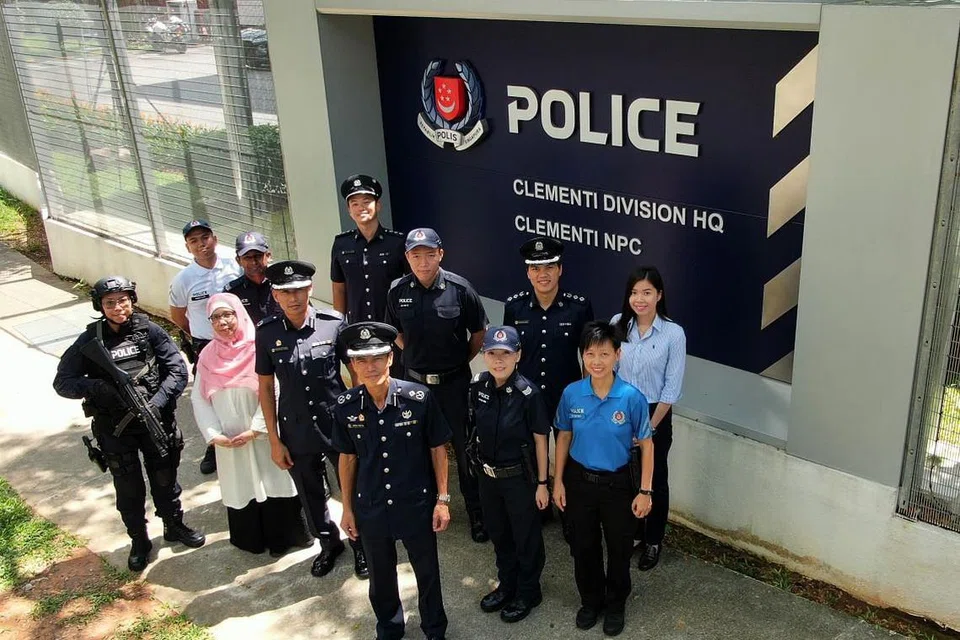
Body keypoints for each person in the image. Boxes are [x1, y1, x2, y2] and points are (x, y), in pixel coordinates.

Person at [53, 276, 204, 572]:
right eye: (110, 303)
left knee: (165, 479)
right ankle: (139, 540)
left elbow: (176, 370)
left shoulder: (149, 330)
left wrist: (157, 402)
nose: (118, 307)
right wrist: (96, 387)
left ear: (132, 300)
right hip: (115, 429)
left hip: (155, 422)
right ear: (100, 306)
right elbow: (63, 382)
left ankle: (174, 525)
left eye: (123, 300)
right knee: (128, 488)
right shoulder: (90, 340)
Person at [333, 322, 452, 640]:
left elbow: (438, 448)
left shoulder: (418, 397)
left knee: (427, 572)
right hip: (371, 506)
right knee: (380, 576)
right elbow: (347, 458)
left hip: (416, 503)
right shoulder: (345, 408)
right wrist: (347, 508)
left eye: (377, 358)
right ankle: (389, 627)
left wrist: (442, 499)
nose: (370, 367)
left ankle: (434, 628)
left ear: (390, 359)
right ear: (353, 365)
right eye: (362, 360)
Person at [255, 260, 368, 579]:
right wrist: (274, 439)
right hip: (296, 427)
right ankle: (329, 544)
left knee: (352, 487)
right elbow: (265, 385)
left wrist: (360, 417)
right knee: (310, 492)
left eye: (300, 290)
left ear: (310, 290)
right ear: (275, 295)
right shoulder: (266, 333)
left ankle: (360, 544)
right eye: (286, 292)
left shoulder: (333, 323)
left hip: (337, 423)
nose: (294, 298)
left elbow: (355, 371)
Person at [385, 227, 489, 542]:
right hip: (413, 385)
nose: (423, 261)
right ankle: (427, 509)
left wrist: (458, 363)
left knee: (464, 448)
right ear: (407, 258)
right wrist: (414, 358)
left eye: (430, 254)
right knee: (417, 448)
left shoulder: (460, 289)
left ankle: (476, 514)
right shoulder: (397, 291)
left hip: (454, 383)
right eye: (416, 255)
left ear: (440, 254)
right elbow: (394, 334)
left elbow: (478, 333)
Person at [191, 292, 313, 555]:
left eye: (228, 315)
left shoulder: (258, 347)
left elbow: (274, 388)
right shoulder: (207, 356)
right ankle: (252, 540)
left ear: (239, 315)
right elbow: (199, 399)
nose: (223, 322)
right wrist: (215, 435)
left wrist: (257, 428)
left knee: (275, 480)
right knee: (241, 483)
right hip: (229, 438)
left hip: (262, 432)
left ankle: (287, 537)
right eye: (216, 317)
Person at [553, 321, 654, 637]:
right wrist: (557, 481)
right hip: (580, 481)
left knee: (620, 547)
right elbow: (564, 436)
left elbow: (647, 445)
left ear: (617, 355)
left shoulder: (631, 398)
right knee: (583, 546)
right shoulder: (572, 393)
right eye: (590, 354)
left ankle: (615, 604)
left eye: (604, 354)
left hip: (618, 486)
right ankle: (590, 601)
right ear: (583, 356)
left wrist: (645, 491)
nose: (597, 361)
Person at [503, 236, 594, 526]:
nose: (543, 274)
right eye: (536, 268)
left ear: (560, 270)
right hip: (528, 399)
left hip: (565, 397)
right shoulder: (515, 307)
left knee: (570, 459)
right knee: (528, 455)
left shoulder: (578, 307)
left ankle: (570, 515)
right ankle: (538, 510)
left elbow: (589, 356)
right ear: (528, 272)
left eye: (550, 267)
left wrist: (588, 396)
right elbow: (509, 354)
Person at [468, 326, 551, 623]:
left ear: (518, 355)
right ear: (484, 355)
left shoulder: (529, 394)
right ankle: (508, 584)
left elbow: (541, 439)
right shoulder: (478, 386)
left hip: (520, 479)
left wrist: (543, 483)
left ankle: (529, 591)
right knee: (499, 533)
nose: (498, 360)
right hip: (488, 478)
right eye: (492, 353)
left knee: (525, 536)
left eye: (506, 354)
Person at [611, 266, 686, 572]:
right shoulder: (617, 325)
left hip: (656, 413)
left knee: (653, 479)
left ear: (659, 295)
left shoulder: (673, 333)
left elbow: (672, 387)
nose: (639, 299)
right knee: (623, 478)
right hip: (621, 410)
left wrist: (648, 427)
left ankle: (653, 540)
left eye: (646, 293)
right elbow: (608, 370)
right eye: (634, 292)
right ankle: (632, 534)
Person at [168, 219, 241, 475]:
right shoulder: (184, 279)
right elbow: (178, 315)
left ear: (215, 239)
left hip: (239, 342)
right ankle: (213, 444)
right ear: (188, 247)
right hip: (206, 344)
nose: (201, 245)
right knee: (208, 394)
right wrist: (198, 334)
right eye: (194, 241)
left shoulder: (234, 268)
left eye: (205, 238)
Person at [330, 174, 407, 325]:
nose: (361, 208)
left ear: (378, 205)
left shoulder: (397, 243)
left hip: (393, 326)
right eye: (355, 204)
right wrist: (338, 326)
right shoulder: (341, 244)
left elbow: (411, 285)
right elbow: (339, 289)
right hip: (357, 326)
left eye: (366, 202)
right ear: (349, 210)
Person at [224, 231, 281, 326]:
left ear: (268, 256)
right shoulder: (232, 292)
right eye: (247, 257)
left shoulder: (284, 285)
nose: (253, 262)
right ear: (238, 261)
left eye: (257, 256)